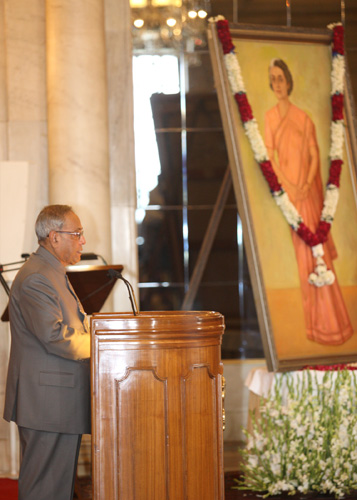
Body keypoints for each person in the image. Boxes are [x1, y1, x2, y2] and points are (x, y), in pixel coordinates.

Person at [3, 205, 91, 500]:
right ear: (54, 237)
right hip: (48, 404)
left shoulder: (52, 271)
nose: (83, 241)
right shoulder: (37, 277)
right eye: (76, 234)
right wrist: (102, 346)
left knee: (56, 489)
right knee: (45, 490)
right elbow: (54, 336)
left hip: (57, 402)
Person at [265, 58, 353, 346]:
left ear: (289, 82)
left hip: (310, 196)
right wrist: (290, 186)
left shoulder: (303, 118)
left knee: (321, 257)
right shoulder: (269, 118)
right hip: (290, 199)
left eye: (281, 78)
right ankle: (315, 326)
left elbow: (315, 155)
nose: (278, 84)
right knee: (304, 260)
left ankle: (336, 323)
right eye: (273, 79)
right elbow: (269, 156)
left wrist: (305, 184)